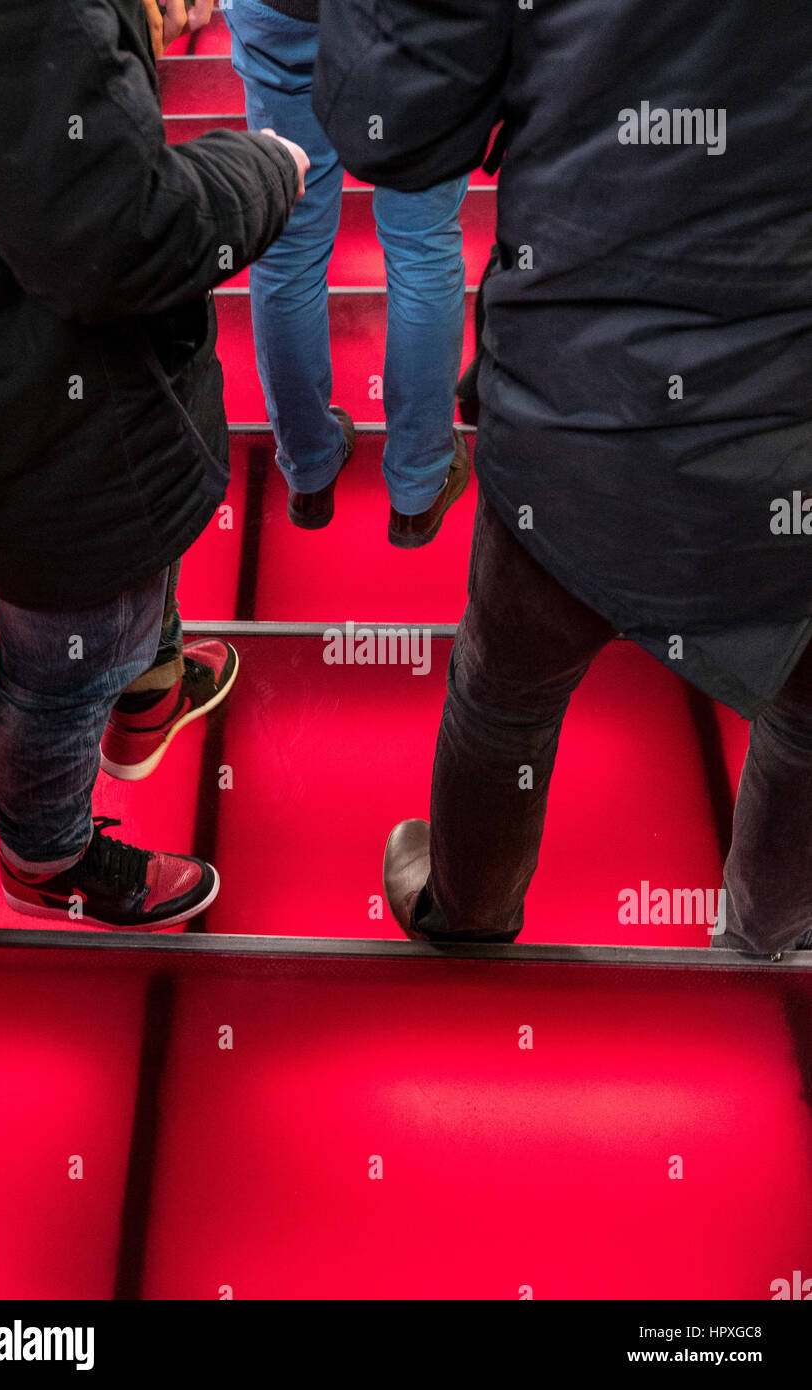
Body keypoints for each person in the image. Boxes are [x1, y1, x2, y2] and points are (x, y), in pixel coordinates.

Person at [313, 0, 812, 953]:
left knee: (507, 690)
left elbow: (393, 119)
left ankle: (469, 913)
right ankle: (765, 952)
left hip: (578, 394)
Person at [0, 0, 308, 930]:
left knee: (116, 586)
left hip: (35, 389)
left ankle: (145, 689)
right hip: (43, 404)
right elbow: (119, 234)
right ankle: (47, 855)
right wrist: (263, 167)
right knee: (63, 658)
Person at [224, 0, 470, 546]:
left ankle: (309, 469)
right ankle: (417, 486)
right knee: (422, 248)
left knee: (287, 248)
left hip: (284, 12)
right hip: (421, 24)